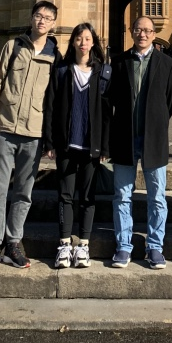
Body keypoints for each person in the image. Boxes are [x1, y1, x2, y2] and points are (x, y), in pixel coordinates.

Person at [0, 0, 61, 270]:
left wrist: (50, 139)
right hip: (4, 128)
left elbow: (54, 101)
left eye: (47, 18)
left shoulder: (55, 55)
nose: (42, 21)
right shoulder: (13, 46)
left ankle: (13, 243)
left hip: (34, 133)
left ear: (53, 23)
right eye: (38, 15)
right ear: (31, 17)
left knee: (24, 193)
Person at [109, 15, 172, 269]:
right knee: (122, 195)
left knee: (157, 197)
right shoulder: (119, 61)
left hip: (154, 138)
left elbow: (170, 100)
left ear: (154, 33)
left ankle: (155, 246)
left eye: (147, 30)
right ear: (131, 31)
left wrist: (156, 121)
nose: (143, 34)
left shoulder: (167, 63)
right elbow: (111, 97)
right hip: (124, 137)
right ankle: (123, 246)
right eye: (138, 29)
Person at [43, 22, 111, 269]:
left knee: (88, 196)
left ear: (94, 42)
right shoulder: (62, 70)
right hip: (66, 144)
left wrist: (105, 146)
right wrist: (49, 141)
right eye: (79, 38)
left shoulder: (103, 72)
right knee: (65, 195)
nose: (83, 43)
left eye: (87, 38)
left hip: (91, 145)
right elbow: (50, 106)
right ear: (72, 42)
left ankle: (83, 244)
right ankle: (64, 244)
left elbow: (106, 113)